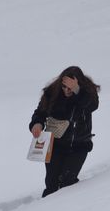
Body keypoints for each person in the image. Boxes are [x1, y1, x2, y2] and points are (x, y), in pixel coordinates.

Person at [29, 66, 100, 197]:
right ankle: (45, 208)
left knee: (68, 183)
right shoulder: (52, 93)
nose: (67, 90)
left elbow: (92, 105)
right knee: (51, 184)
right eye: (64, 87)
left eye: (70, 88)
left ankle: (69, 208)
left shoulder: (87, 94)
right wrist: (37, 124)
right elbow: (40, 113)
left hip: (79, 145)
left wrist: (77, 91)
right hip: (55, 146)